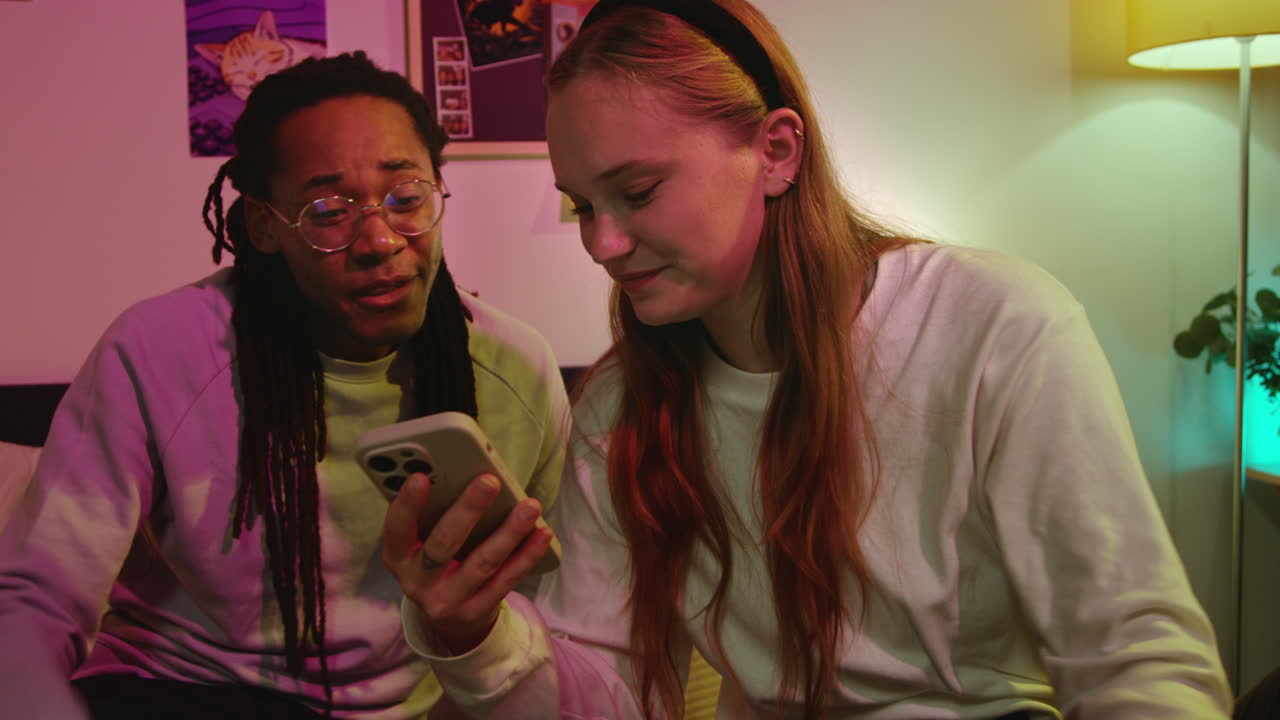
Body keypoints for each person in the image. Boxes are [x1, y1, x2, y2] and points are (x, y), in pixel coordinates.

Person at [385, 1, 1235, 718]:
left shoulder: (991, 329)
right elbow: (615, 695)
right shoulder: (621, 407)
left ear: (777, 152)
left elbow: (1138, 662)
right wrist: (477, 637)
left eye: (637, 191)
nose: (602, 244)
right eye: (582, 206)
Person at [0, 51, 567, 720]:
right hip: (184, 688)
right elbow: (35, 603)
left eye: (405, 197)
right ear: (265, 225)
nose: (380, 240)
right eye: (329, 209)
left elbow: (552, 609)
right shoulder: (159, 350)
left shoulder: (515, 368)